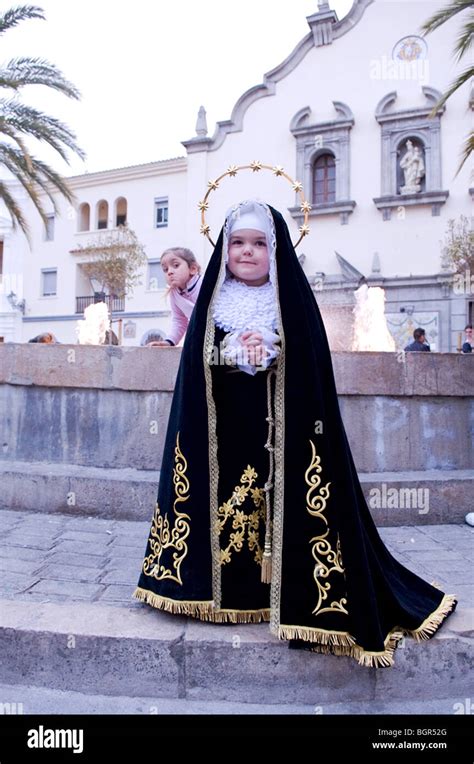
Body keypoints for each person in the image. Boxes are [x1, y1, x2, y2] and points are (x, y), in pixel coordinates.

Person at [133, 199, 456, 667]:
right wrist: (233, 355)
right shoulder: (212, 304)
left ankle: (292, 594)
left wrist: (271, 351)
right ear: (224, 249)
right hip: (222, 435)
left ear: (277, 248)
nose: (247, 252)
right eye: (238, 243)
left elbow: (310, 371)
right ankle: (212, 590)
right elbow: (196, 374)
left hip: (285, 439)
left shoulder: (295, 304)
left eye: (259, 243)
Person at [148, 247, 202, 347]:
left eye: (176, 265)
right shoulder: (174, 293)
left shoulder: (204, 285)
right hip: (199, 338)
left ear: (193, 269)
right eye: (165, 269)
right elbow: (179, 320)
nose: (169, 272)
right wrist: (169, 341)